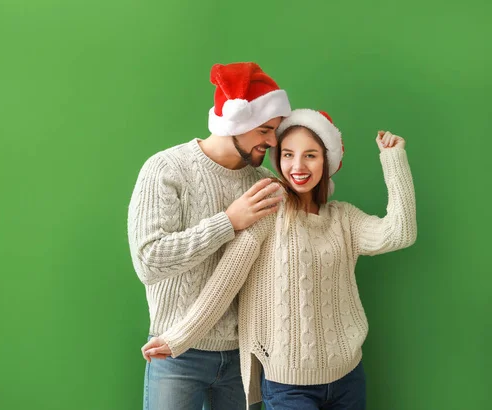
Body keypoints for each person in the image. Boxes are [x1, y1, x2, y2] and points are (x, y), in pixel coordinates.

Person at [142, 108, 417, 409]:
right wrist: (179, 338)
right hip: (288, 386)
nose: (298, 165)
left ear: (327, 161)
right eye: (288, 154)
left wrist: (394, 160)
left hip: (348, 376)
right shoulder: (268, 210)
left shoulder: (344, 219)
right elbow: (226, 281)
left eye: (310, 155)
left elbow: (400, 233)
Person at [128, 62, 292, 410]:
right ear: (237, 122)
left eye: (275, 131)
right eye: (265, 129)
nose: (272, 141)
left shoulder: (261, 182)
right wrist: (229, 222)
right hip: (177, 352)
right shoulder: (166, 169)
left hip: (243, 358)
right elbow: (149, 261)